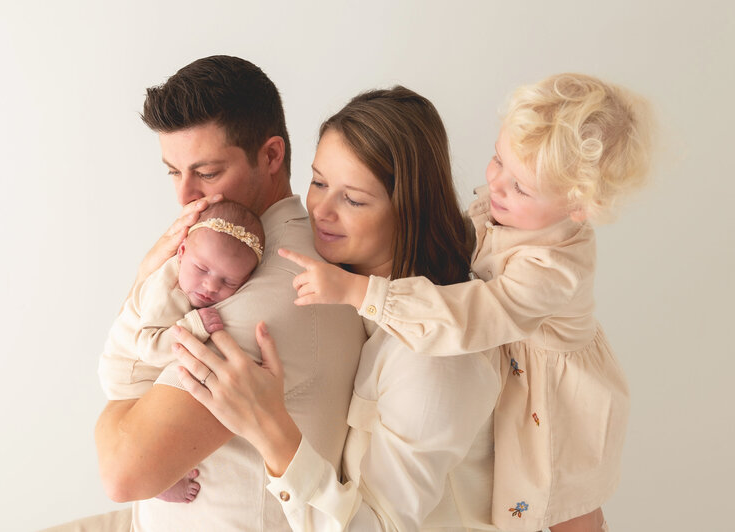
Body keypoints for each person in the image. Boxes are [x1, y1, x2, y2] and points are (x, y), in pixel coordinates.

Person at [246, 74, 653, 532]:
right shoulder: (496, 214)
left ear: (578, 206)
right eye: (318, 181)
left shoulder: (545, 276)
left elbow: (474, 315)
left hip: (556, 397)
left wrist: (358, 294)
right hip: (500, 353)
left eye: (355, 199)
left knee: (564, 505)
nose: (496, 185)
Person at [45, 55, 364, 531]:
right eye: (173, 172)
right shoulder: (227, 256)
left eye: (207, 173)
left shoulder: (278, 290)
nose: (184, 196)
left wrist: (139, 292)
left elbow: (122, 471)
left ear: (272, 156)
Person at [173, 86, 502, 530]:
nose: (320, 211)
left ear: (409, 209)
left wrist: (273, 431)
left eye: (353, 199)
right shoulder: (342, 292)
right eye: (319, 182)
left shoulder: (434, 358)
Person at [98, 199, 264, 503]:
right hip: (130, 371)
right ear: (182, 252)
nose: (210, 286)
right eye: (202, 269)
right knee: (149, 438)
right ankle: (160, 484)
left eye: (229, 281)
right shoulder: (167, 290)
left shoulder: (196, 278)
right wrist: (194, 326)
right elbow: (149, 347)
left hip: (139, 358)